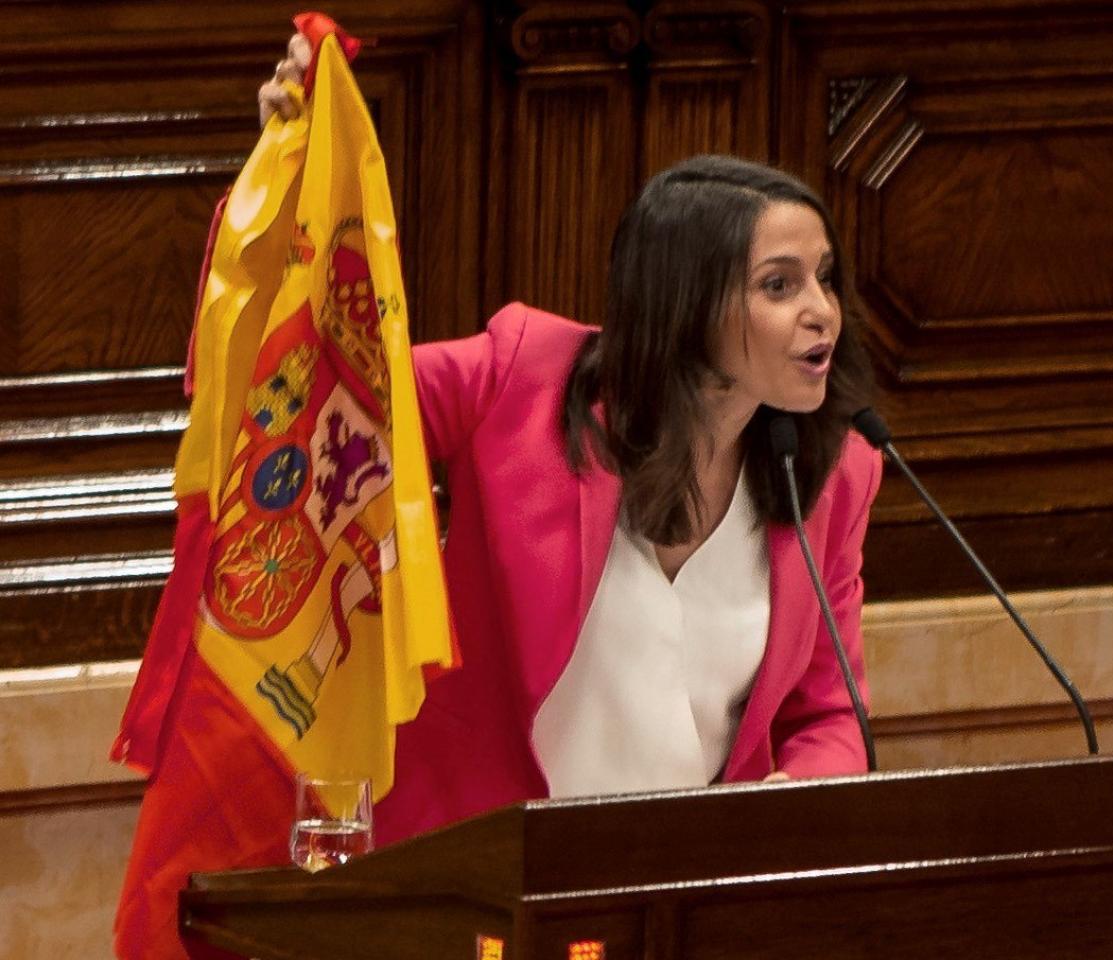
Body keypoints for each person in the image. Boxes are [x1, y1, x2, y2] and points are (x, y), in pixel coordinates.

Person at [260, 37, 883, 845]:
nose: (822, 311)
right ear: (683, 299)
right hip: (479, 874)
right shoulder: (521, 379)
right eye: (779, 284)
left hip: (675, 891)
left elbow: (829, 716)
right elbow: (324, 390)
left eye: (824, 277)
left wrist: (783, 803)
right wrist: (287, 200)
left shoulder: (835, 472)